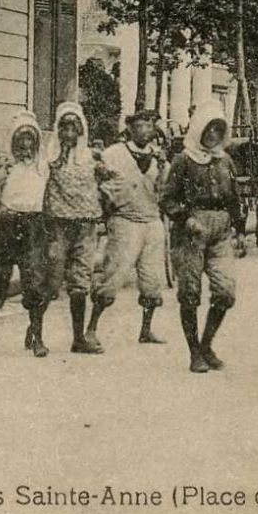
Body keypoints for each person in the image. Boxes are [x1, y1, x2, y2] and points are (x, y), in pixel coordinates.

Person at [160, 101, 246, 373]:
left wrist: (240, 229)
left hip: (220, 231)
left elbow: (234, 198)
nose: (213, 136)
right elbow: (167, 199)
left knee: (225, 291)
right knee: (190, 292)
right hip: (191, 232)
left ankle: (207, 344)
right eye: (208, 130)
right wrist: (186, 219)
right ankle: (193, 351)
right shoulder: (183, 161)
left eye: (218, 130)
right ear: (199, 130)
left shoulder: (226, 160)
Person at [0, 110, 49, 355]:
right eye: (21, 142)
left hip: (35, 227)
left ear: (36, 143)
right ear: (13, 143)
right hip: (6, 225)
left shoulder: (44, 168)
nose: (26, 148)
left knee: (36, 280)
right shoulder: (5, 167)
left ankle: (36, 335)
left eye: (30, 142)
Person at [92, 109, 169, 346]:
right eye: (140, 126)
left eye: (149, 126)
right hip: (124, 221)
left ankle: (146, 330)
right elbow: (98, 182)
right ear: (130, 129)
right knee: (113, 275)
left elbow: (164, 189)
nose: (145, 131)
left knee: (152, 279)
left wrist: (164, 168)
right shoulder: (114, 154)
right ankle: (91, 329)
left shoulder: (158, 157)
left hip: (151, 221)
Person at [43, 100, 105, 356]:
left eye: (74, 128)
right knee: (52, 279)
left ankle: (79, 338)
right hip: (57, 226)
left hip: (85, 227)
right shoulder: (48, 158)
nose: (69, 134)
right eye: (64, 128)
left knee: (80, 280)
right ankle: (35, 330)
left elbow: (110, 181)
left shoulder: (92, 158)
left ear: (82, 130)